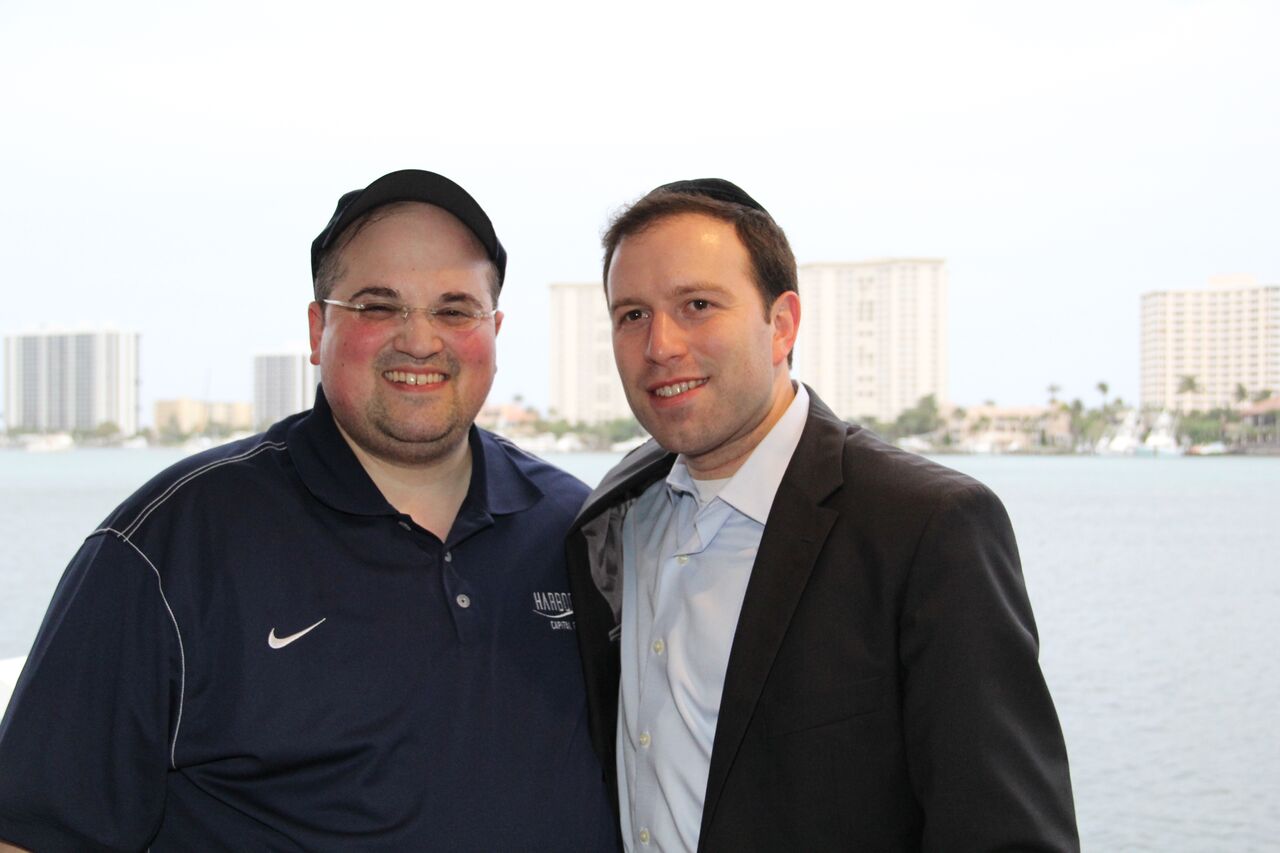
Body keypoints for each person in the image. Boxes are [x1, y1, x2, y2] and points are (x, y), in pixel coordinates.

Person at [0, 169, 615, 851]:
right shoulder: (168, 548)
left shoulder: (579, 530)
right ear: (318, 328)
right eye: (378, 306)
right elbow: (31, 832)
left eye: (454, 309)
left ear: (494, 331)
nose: (420, 339)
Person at [566, 178, 1079, 851]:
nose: (660, 344)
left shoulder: (927, 528)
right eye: (632, 314)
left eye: (697, 305)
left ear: (782, 324)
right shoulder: (617, 515)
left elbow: (1007, 832)